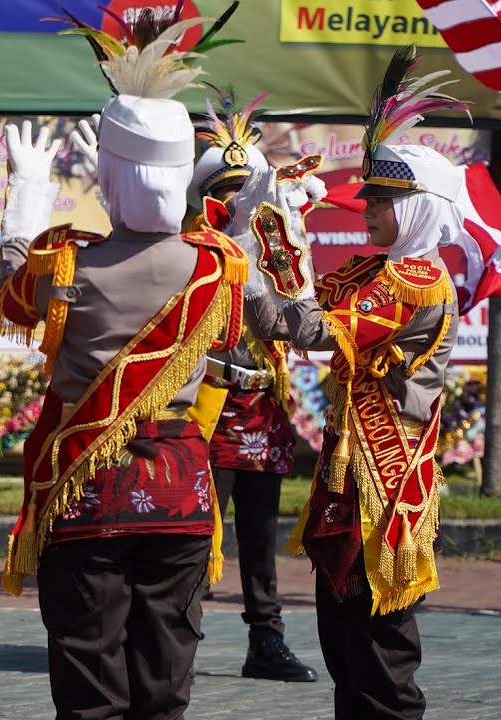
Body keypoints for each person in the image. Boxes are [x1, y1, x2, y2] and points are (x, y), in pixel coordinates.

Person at [0, 11, 246, 718]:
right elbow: (279, 322)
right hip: (182, 489)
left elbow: (16, 295)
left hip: (89, 486)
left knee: (89, 677)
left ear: (108, 173)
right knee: (166, 681)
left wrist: (28, 192)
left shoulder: (71, 261)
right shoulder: (218, 266)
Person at [238, 46, 472, 719]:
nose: (367, 207)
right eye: (368, 195)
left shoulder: (415, 282)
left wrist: (281, 243)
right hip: (350, 477)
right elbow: (284, 317)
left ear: (422, 207)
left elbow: (312, 327)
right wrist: (251, 240)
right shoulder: (370, 272)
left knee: (379, 651)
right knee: (343, 644)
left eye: (383, 198)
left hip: (386, 483)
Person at [186, 90, 321, 683]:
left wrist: (288, 231)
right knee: (193, 529)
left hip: (262, 400)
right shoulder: (192, 246)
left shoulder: (268, 241)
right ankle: (174, 636)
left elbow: (296, 313)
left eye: (246, 189)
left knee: (262, 531)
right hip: (208, 403)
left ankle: (265, 639)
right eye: (226, 191)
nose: (238, 200)